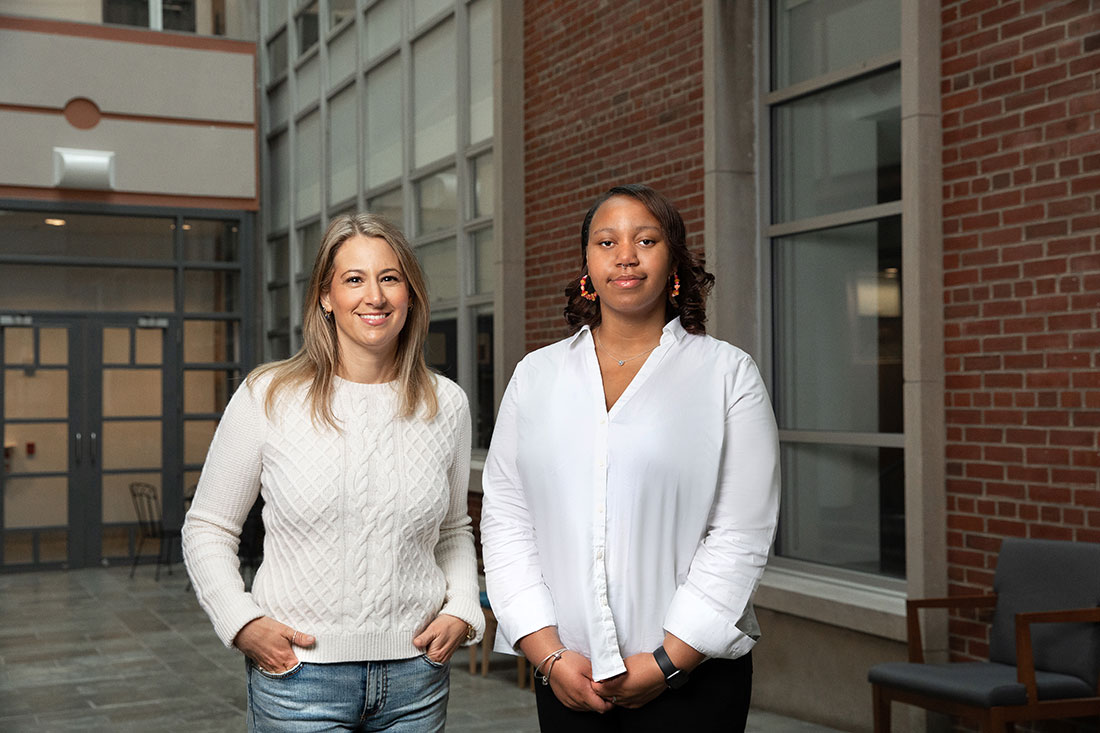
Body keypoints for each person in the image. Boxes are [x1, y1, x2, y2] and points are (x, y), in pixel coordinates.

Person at [480, 184, 780, 732]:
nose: (625, 255)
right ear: (587, 265)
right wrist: (547, 654)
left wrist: (668, 662)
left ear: (673, 263)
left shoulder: (727, 374)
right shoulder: (536, 376)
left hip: (694, 681)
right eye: (606, 241)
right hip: (569, 676)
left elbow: (741, 531)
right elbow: (507, 520)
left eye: (646, 239)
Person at [183, 213, 483, 732]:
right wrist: (242, 622)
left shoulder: (446, 404)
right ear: (326, 296)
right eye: (354, 279)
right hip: (300, 682)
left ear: (409, 294)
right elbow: (208, 527)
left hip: (416, 678)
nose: (375, 297)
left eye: (390, 278)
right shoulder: (268, 395)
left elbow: (452, 530)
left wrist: (461, 608)